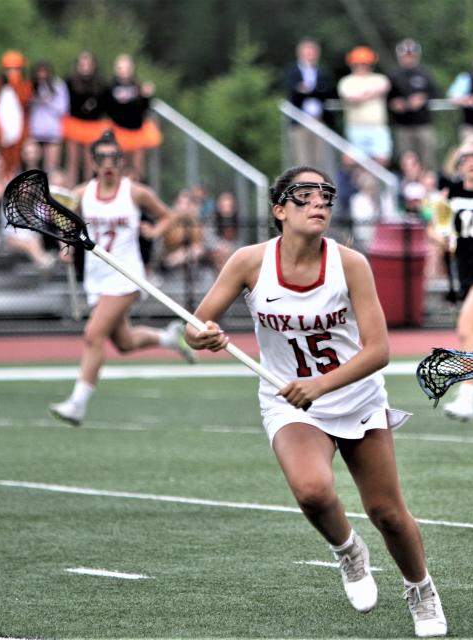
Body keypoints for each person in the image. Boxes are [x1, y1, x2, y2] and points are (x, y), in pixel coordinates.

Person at [183, 165, 448, 638]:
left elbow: (379, 351)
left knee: (387, 512)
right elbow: (195, 324)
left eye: (325, 194)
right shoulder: (249, 261)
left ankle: (420, 587)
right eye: (303, 195)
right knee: (312, 491)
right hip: (289, 402)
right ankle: (348, 552)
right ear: (279, 209)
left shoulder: (350, 264)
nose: (318, 202)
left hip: (356, 398)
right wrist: (203, 335)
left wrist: (321, 386)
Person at [48, 130, 196, 427]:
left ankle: (77, 403)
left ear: (121, 160)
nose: (108, 163)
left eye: (113, 157)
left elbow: (170, 217)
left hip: (126, 276)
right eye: (101, 157)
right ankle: (169, 337)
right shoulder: (82, 193)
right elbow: (65, 222)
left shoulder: (134, 192)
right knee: (124, 342)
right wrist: (66, 246)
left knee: (93, 335)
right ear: (92, 162)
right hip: (96, 278)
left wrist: (154, 232)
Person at [437, 138, 473, 422]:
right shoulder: (451, 194)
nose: (471, 163)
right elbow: (436, 228)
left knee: (467, 329)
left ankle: (467, 396)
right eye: (465, 158)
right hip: (467, 273)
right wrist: (442, 237)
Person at [103, 53, 161, 179]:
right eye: (120, 68)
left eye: (126, 67)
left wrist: (147, 96)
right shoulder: (110, 87)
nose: (124, 71)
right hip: (119, 130)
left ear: (132, 68)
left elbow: (144, 108)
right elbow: (108, 109)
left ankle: (137, 190)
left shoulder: (139, 86)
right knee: (119, 163)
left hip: (137, 130)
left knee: (138, 165)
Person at [284, 38, 336, 170]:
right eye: (307, 52)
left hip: (319, 120)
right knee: (302, 160)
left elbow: (329, 92)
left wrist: (308, 90)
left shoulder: (322, 73)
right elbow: (293, 92)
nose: (310, 55)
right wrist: (315, 90)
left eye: (312, 52)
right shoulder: (292, 71)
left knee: (320, 160)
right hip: (300, 121)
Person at [388, 39, 438, 172]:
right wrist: (395, 104)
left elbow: (434, 93)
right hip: (402, 126)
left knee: (428, 159)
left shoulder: (425, 73)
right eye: (405, 56)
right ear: (400, 57)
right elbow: (388, 98)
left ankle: (429, 187)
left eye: (411, 55)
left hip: (423, 124)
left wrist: (422, 99)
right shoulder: (394, 75)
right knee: (405, 160)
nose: (408, 59)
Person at [338, 46, 392, 166]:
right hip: (356, 127)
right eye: (359, 63)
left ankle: (374, 184)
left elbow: (384, 87)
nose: (362, 66)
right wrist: (372, 93)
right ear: (352, 64)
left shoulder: (380, 78)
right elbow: (352, 99)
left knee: (382, 160)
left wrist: (361, 95)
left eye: (365, 63)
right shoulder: (346, 81)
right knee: (353, 162)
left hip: (378, 127)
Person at [63, 50, 109, 185]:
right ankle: (70, 190)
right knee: (72, 161)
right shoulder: (69, 82)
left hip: (93, 126)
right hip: (74, 123)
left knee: (90, 162)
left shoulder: (101, 84)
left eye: (88, 63)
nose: (85, 66)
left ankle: (88, 190)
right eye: (82, 64)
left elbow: (106, 104)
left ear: (93, 65)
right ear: (77, 65)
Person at [0, 50, 32, 176]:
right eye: (9, 70)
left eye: (16, 69)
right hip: (2, 135)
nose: (12, 73)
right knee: (2, 167)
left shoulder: (25, 86)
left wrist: (15, 83)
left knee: (18, 167)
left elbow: (25, 99)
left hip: (19, 135)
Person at [29, 61, 69, 176]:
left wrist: (47, 100)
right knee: (32, 166)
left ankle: (50, 191)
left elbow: (63, 109)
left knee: (51, 167)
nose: (42, 76)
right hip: (34, 131)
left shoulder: (58, 85)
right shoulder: (31, 85)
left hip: (52, 130)